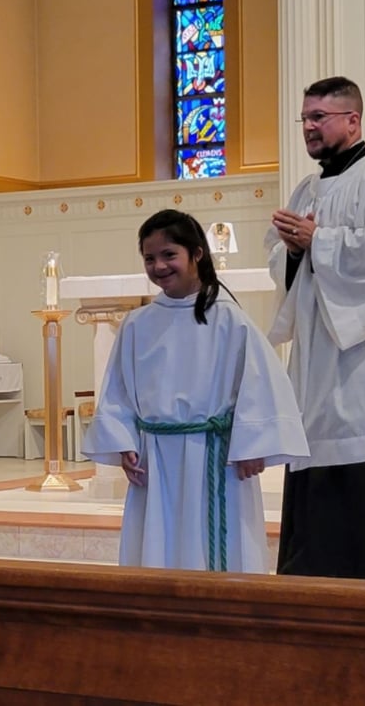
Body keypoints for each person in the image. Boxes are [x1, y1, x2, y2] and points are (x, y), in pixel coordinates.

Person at [266, 76, 365, 582]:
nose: (309, 127)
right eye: (305, 118)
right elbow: (280, 260)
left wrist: (320, 240)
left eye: (320, 117)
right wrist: (293, 252)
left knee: (363, 477)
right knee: (314, 472)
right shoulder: (307, 187)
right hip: (319, 360)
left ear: (353, 120)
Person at [81, 209, 309, 574]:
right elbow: (117, 389)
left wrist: (253, 445)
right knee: (158, 546)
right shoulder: (138, 324)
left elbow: (261, 382)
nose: (159, 266)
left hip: (216, 458)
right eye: (150, 258)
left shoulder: (228, 317)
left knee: (216, 547)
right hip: (155, 457)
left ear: (197, 254)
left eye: (169, 255)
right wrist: (124, 441)